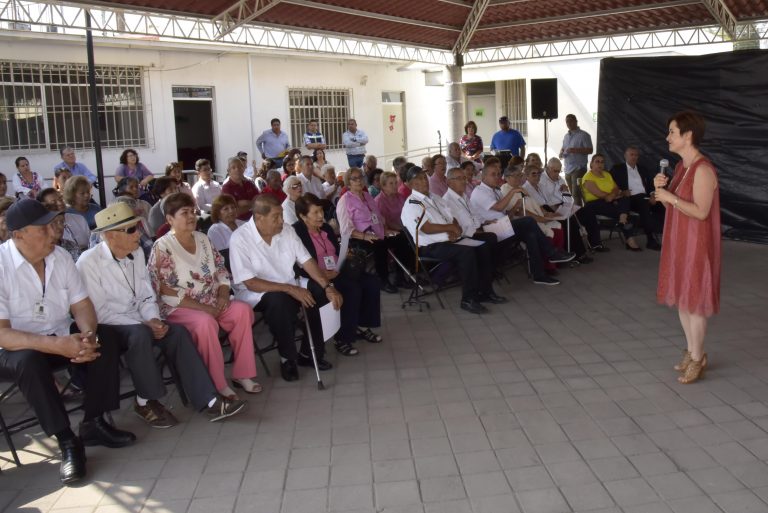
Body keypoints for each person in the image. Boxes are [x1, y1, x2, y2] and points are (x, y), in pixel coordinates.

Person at [0, 199, 135, 485]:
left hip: (59, 336)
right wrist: (59, 346)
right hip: (12, 349)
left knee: (105, 337)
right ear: (19, 234)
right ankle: (67, 441)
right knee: (29, 359)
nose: (54, 233)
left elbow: (82, 305)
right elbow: (3, 334)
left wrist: (86, 337)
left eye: (54, 225)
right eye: (45, 228)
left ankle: (94, 422)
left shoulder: (59, 257)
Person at [78, 203, 245, 427]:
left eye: (136, 226)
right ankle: (146, 400)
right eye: (130, 230)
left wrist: (154, 319)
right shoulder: (88, 262)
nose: (138, 233)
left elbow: (148, 295)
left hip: (141, 319)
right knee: (140, 334)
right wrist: (146, 323)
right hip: (112, 325)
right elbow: (99, 311)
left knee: (177, 334)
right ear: (110, 236)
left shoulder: (135, 253)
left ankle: (208, 399)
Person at [148, 193, 260, 399]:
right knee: (205, 323)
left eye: (193, 211)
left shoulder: (203, 238)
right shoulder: (162, 247)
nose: (191, 216)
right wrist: (205, 308)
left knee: (242, 311)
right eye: (184, 213)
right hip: (180, 307)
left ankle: (243, 374)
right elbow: (164, 289)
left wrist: (224, 295)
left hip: (213, 300)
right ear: (170, 219)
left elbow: (221, 271)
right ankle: (217, 384)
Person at [230, 194, 342, 381]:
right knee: (280, 303)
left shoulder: (287, 230)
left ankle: (309, 352)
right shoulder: (240, 238)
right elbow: (250, 282)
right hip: (256, 293)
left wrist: (328, 285)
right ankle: (287, 357)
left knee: (320, 292)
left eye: (282, 215)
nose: (282, 221)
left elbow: (306, 261)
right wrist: (289, 289)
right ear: (259, 218)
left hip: (289, 283)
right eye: (276, 217)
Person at [653, 111, 720, 384]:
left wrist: (670, 196)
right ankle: (692, 352)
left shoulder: (703, 169)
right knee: (683, 299)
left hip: (697, 245)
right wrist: (662, 193)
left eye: (672, 132)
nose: (667, 137)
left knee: (695, 303)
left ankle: (699, 356)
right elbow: (676, 206)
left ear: (688, 135)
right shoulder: (681, 167)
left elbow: (702, 212)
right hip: (680, 241)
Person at [401, 167, 504, 314]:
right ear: (411, 184)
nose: (424, 181)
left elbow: (451, 216)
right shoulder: (412, 204)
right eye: (418, 179)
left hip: (450, 239)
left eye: (424, 177)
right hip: (431, 246)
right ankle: (468, 299)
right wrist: (449, 228)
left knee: (485, 242)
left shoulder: (435, 197)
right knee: (466, 253)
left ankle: (485, 291)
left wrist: (455, 228)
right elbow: (426, 228)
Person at [294, 193, 383, 355]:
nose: (321, 216)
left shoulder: (326, 228)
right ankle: (342, 337)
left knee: (372, 282)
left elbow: (336, 250)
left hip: (339, 269)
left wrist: (344, 255)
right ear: (303, 216)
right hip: (320, 276)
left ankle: (361, 325)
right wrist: (322, 275)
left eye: (321, 211)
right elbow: (299, 264)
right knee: (352, 289)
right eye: (315, 213)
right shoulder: (297, 233)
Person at [470, 157, 575, 285]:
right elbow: (499, 207)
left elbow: (505, 213)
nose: (497, 177)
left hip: (503, 225)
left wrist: (515, 208)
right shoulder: (479, 191)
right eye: (493, 174)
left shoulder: (495, 190)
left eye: (498, 174)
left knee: (530, 234)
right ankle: (551, 253)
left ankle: (539, 274)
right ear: (483, 176)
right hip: (491, 230)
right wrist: (514, 190)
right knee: (528, 221)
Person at [336, 167, 410, 294]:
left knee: (402, 238)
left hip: (377, 232)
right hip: (358, 238)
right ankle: (383, 280)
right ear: (348, 182)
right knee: (380, 244)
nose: (359, 181)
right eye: (354, 178)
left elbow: (378, 217)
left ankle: (400, 276)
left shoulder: (367, 196)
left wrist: (385, 230)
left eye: (360, 177)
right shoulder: (345, 200)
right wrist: (365, 236)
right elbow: (345, 229)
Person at [522, 162, 592, 263]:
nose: (537, 176)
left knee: (572, 218)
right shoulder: (526, 188)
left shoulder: (539, 186)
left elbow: (549, 201)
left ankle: (576, 252)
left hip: (547, 208)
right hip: (539, 213)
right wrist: (549, 213)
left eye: (538, 174)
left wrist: (557, 209)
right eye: (533, 174)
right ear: (526, 176)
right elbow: (534, 206)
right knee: (566, 222)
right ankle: (575, 253)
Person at [580, 154, 642, 250]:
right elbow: (600, 194)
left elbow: (616, 188)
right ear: (591, 164)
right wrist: (615, 195)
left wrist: (613, 195)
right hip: (595, 203)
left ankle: (622, 219)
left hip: (611, 201)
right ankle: (629, 237)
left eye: (602, 162)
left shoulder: (607, 174)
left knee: (625, 198)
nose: (600, 164)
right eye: (597, 161)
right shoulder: (588, 177)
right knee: (625, 210)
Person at [610, 146, 662, 250]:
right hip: (629, 199)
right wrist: (621, 192)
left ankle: (669, 233)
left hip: (644, 197)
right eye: (631, 154)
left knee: (663, 205)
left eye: (636, 155)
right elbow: (610, 185)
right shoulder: (617, 169)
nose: (634, 157)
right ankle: (650, 239)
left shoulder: (642, 169)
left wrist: (652, 194)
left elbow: (651, 185)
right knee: (644, 206)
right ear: (625, 156)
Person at [37, 188, 91, 254]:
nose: (60, 203)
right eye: (54, 202)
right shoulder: (47, 227)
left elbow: (90, 241)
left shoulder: (79, 218)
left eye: (60, 199)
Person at [559, 114, 593, 205]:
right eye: (567, 121)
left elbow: (590, 150)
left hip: (578, 168)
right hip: (567, 168)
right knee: (572, 194)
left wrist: (575, 150)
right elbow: (563, 147)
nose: (569, 123)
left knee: (576, 194)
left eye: (570, 121)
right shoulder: (566, 136)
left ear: (576, 121)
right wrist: (561, 152)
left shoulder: (584, 135)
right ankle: (581, 212)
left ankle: (579, 215)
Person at [222, 156, 259, 221]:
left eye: (240, 167)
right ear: (229, 171)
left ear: (243, 169)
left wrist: (245, 204)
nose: (237, 169)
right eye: (233, 167)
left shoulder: (249, 183)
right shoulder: (226, 188)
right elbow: (235, 212)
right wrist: (252, 205)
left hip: (255, 218)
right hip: (239, 222)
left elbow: (259, 199)